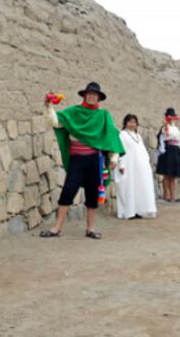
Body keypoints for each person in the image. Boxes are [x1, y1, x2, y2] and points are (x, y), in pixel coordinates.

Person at [41, 82, 124, 238]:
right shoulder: (74, 112)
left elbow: (112, 136)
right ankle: (57, 227)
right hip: (76, 159)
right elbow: (56, 122)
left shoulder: (104, 115)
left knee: (92, 194)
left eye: (95, 94)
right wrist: (49, 107)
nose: (92, 96)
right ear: (85, 95)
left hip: (94, 160)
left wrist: (114, 158)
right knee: (68, 190)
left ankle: (90, 228)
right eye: (89, 93)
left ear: (99, 97)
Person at [115, 114, 157, 220]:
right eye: (130, 122)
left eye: (134, 122)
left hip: (139, 167)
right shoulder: (122, 135)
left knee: (139, 188)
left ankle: (137, 210)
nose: (132, 124)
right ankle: (128, 212)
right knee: (128, 188)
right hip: (128, 166)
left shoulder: (137, 136)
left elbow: (142, 151)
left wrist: (146, 163)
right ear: (125, 123)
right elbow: (121, 150)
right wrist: (121, 164)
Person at [155, 107, 180, 202]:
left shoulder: (176, 128)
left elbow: (178, 140)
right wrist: (162, 150)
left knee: (172, 176)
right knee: (166, 174)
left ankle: (173, 196)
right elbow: (161, 139)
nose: (171, 118)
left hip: (175, 150)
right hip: (167, 150)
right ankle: (166, 195)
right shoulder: (165, 127)